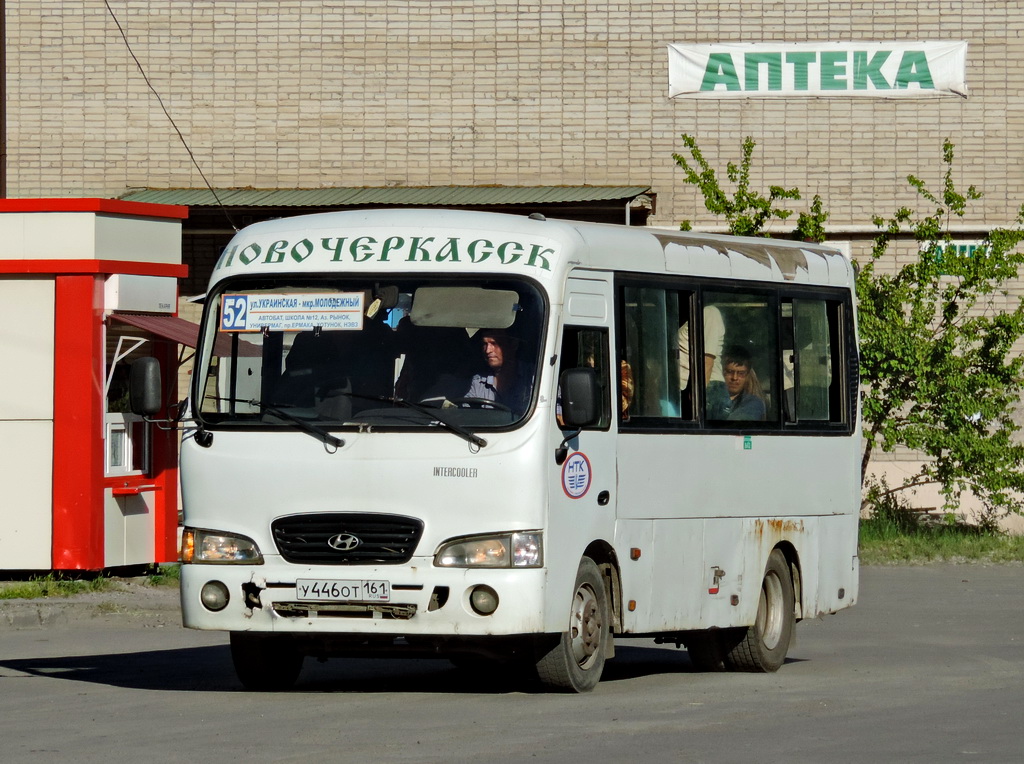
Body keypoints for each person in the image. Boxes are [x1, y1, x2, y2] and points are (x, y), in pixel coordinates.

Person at [465, 329, 532, 415]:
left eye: (494, 343)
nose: (488, 350)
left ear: (513, 344)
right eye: (485, 344)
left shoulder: (533, 378)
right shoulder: (477, 382)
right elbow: (466, 414)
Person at [706, 345, 766, 421]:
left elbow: (734, 426)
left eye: (741, 373)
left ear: (747, 375)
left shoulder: (753, 403)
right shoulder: (709, 398)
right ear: (721, 372)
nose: (734, 378)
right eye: (729, 372)